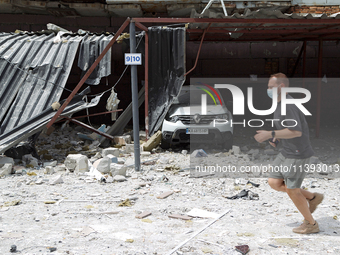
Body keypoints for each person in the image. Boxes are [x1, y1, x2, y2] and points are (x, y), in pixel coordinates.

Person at [254, 73, 323, 234]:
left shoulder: (288, 105)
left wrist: (270, 134)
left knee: (292, 190)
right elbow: (284, 128)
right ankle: (312, 197)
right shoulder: (279, 104)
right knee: (274, 182)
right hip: (286, 151)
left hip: (298, 154)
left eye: (271, 87)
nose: (268, 90)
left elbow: (296, 132)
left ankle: (311, 224)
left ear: (281, 87)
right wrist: (276, 139)